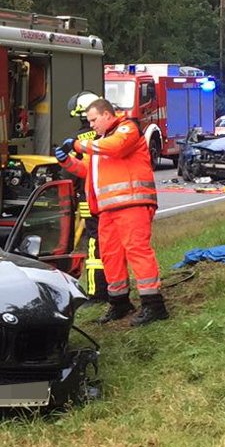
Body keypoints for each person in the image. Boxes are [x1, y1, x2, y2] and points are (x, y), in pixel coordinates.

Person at [56, 99, 164, 326]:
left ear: (107, 115)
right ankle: (119, 302)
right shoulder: (101, 141)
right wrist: (66, 162)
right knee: (110, 255)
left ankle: (153, 304)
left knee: (137, 250)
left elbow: (117, 147)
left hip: (132, 203)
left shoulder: (127, 128)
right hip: (108, 209)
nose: (91, 125)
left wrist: (78, 146)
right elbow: (87, 170)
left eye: (94, 120)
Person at [64, 91, 109, 301]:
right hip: (108, 199)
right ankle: (113, 288)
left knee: (93, 244)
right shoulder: (108, 136)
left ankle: (95, 291)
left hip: (88, 199)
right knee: (109, 242)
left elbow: (71, 173)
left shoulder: (77, 141)